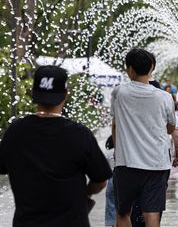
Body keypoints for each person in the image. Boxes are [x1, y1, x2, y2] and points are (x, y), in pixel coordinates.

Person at [0, 65, 112, 227]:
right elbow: (101, 180)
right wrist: (85, 194)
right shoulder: (79, 134)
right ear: (65, 95)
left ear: (33, 94)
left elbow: (3, 166)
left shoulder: (15, 132)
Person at [111, 48, 178, 227]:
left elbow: (115, 125)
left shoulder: (119, 93)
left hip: (126, 163)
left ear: (130, 70)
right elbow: (171, 128)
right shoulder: (165, 97)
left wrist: (118, 152)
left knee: (123, 213)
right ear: (152, 69)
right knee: (152, 214)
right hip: (156, 164)